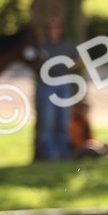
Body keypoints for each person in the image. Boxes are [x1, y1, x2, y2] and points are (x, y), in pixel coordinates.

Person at [35, 15, 79, 160]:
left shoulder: (67, 45)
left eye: (56, 27)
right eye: (50, 27)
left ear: (61, 29)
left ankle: (63, 154)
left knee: (62, 121)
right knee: (47, 122)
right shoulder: (42, 46)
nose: (53, 30)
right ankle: (48, 156)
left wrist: (67, 65)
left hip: (63, 85)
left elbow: (78, 60)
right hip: (46, 86)